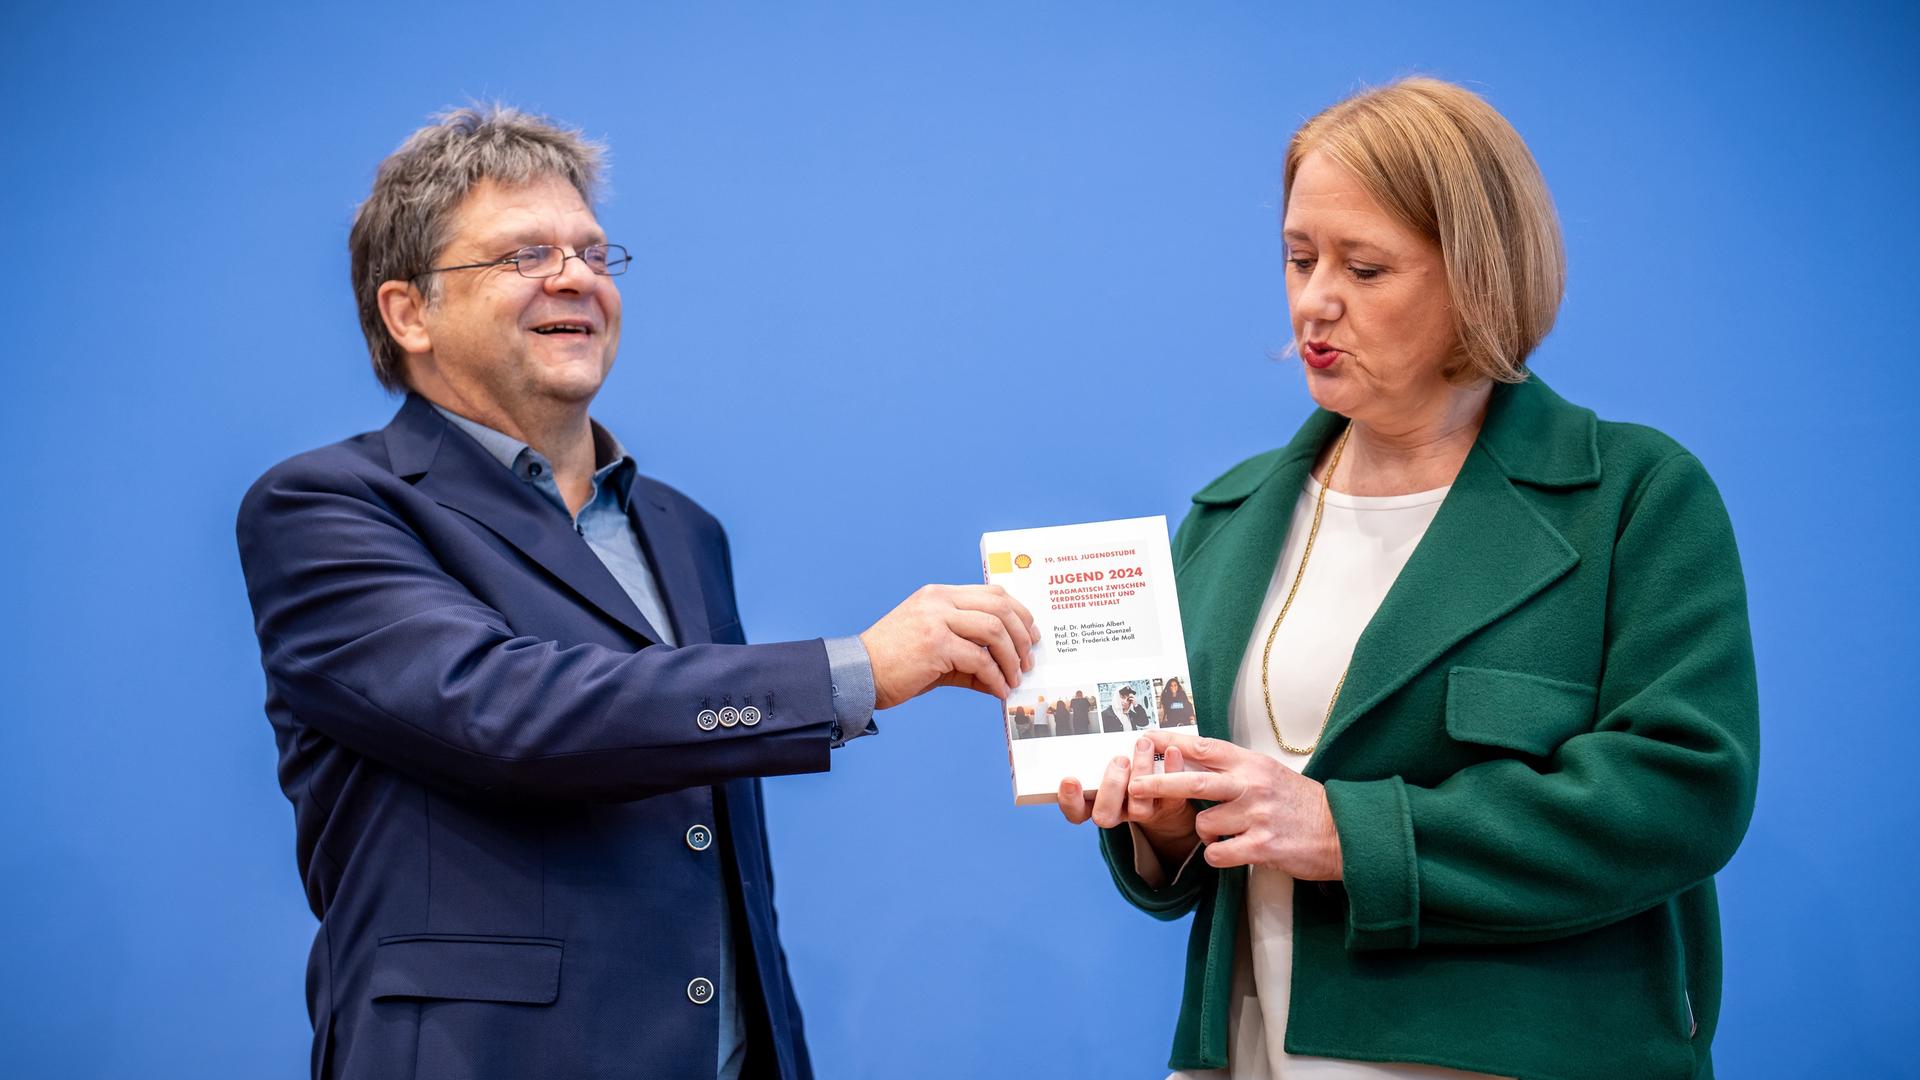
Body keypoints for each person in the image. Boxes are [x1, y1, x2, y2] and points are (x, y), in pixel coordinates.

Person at [235, 106, 1035, 1080]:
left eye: (591, 251)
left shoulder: (683, 528)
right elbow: (504, 713)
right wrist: (853, 672)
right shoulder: (323, 507)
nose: (574, 276)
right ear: (409, 313)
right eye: (522, 255)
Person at [1054, 78, 1758, 1080]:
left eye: (1365, 266)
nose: (1315, 300)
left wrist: (1353, 832)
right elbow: (1183, 863)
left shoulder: (1635, 497)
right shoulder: (1230, 515)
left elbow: (1686, 789)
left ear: (1478, 278)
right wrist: (1163, 827)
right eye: (1299, 258)